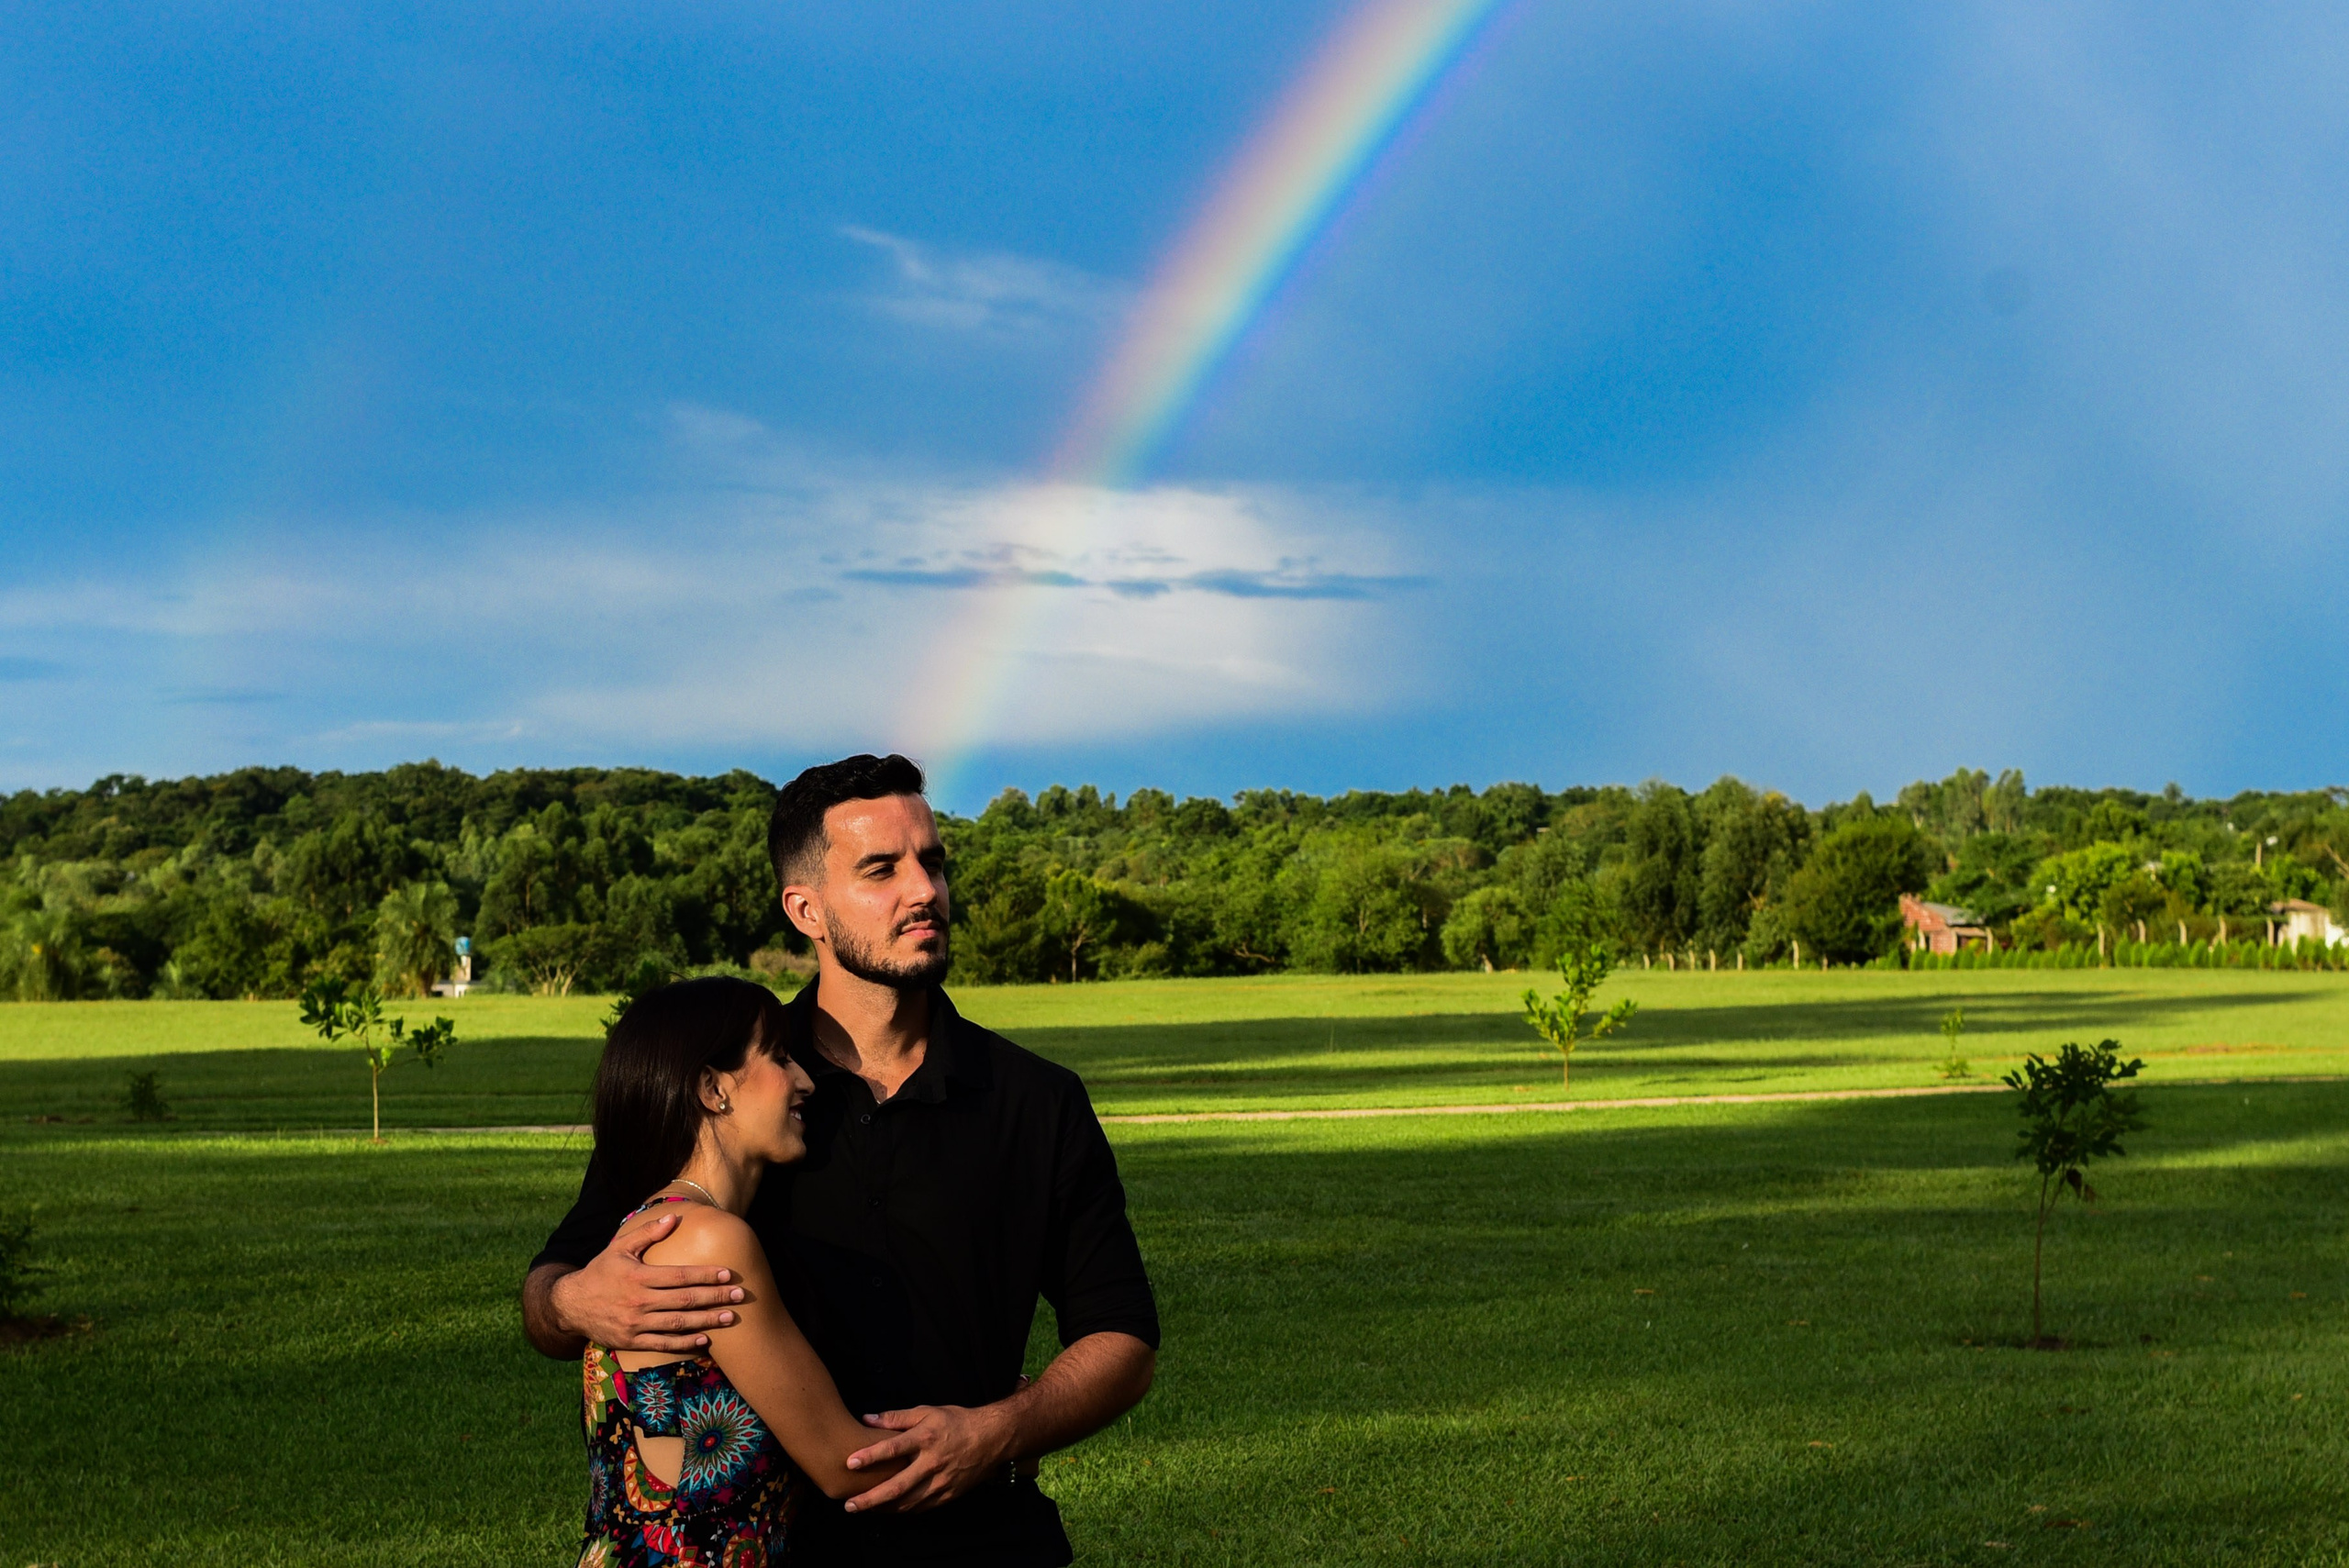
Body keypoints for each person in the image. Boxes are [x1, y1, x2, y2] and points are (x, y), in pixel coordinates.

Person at [525, 754, 1159, 1567]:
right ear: (806, 909)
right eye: (881, 869)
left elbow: (1123, 1335)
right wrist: (574, 1300)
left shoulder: (1038, 1100)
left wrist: (1003, 1431)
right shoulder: (729, 1091)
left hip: (988, 1545)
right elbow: (553, 1290)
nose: (924, 889)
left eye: (933, 861)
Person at [577, 975, 907, 1565]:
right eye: (779, 1057)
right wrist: (999, 1441)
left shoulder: (654, 1222)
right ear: (713, 1088)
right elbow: (844, 1464)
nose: (806, 1081)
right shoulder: (709, 1241)